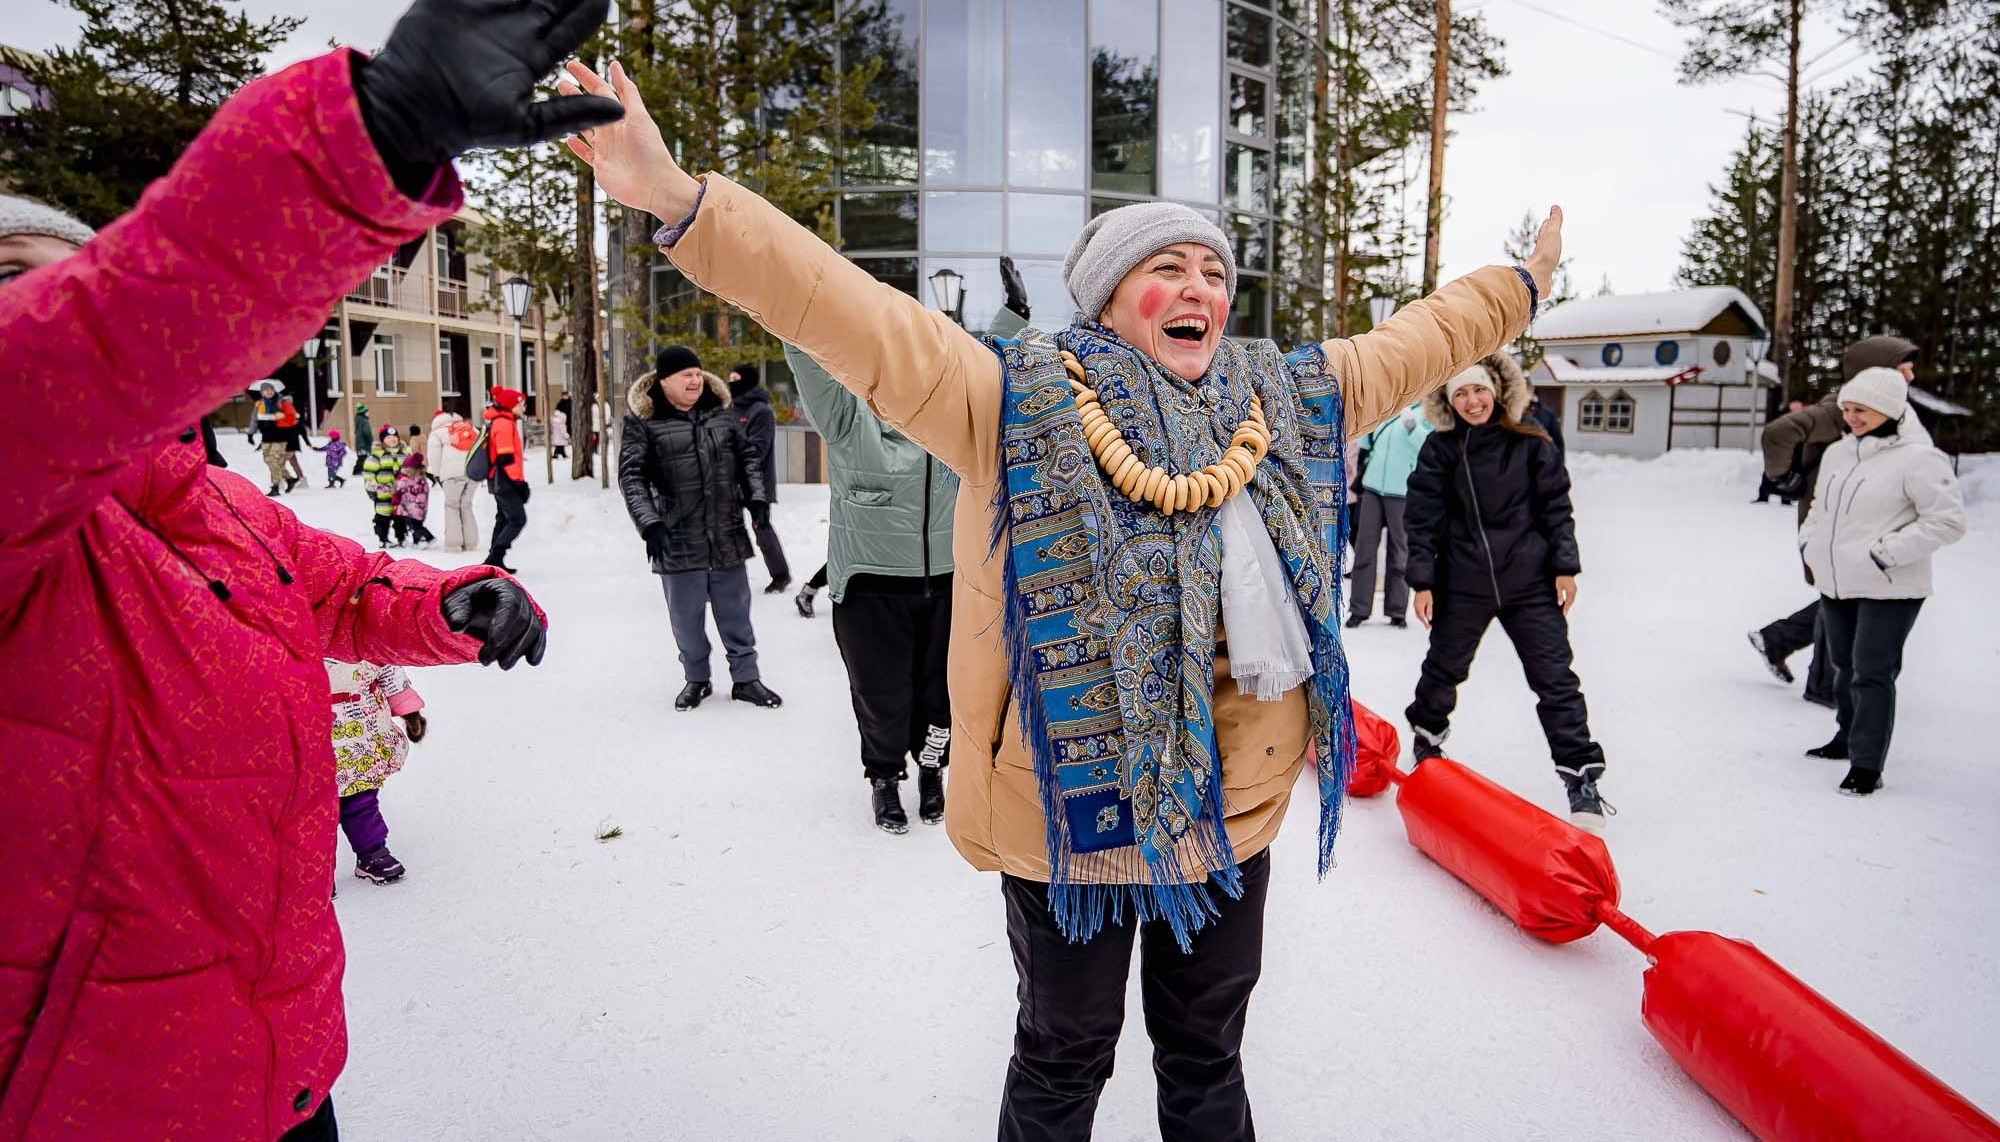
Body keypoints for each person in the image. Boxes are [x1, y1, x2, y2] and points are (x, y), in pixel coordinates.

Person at [562, 56, 1556, 1139]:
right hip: (1064, 816)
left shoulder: (1283, 396)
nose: (1198, 291)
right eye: (1165, 268)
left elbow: (1416, 344)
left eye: (1211, 271)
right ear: (1108, 296)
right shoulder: (1011, 399)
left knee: (1205, 1058)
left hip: (1226, 812)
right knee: (1061, 1056)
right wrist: (680, 203)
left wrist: (1518, 290)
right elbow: (852, 314)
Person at [0, 0, 597, 1140]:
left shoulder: (195, 496)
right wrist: (364, 139)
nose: (46, 301)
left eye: (69, 271)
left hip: (266, 1057)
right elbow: (95, 344)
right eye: (14, 276)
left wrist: (442, 603)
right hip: (82, 1096)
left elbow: (334, 583)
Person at [1402, 354, 1609, 830]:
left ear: (1496, 389)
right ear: (1447, 401)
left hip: (1530, 584)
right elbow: (1423, 519)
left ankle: (1580, 775)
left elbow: (1557, 505)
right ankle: (1426, 739)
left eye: (1478, 390)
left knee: (1555, 678)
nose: (1472, 401)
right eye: (1460, 393)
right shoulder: (1441, 449)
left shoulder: (1532, 440)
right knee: (1444, 668)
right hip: (1463, 584)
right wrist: (1423, 581)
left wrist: (1564, 568)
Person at [787, 343, 956, 833]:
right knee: (882, 699)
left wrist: (1013, 313)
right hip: (869, 591)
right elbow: (806, 358)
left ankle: (930, 769)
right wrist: (794, 295)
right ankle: (884, 778)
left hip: (945, 586)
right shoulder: (848, 417)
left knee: (941, 698)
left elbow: (989, 374)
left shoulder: (948, 424)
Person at [1796, 367, 1964, 795]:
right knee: (1843, 664)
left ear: (1889, 409)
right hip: (1838, 581)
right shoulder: (1839, 452)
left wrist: (1885, 553)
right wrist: (1809, 542)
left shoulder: (1920, 459)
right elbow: (1819, 508)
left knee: (1871, 672)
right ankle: (1845, 737)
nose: (1851, 417)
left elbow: (1947, 521)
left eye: (1861, 410)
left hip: (1890, 586)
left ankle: (1867, 764)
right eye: (1847, 409)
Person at [1747, 335, 1922, 705]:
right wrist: (1783, 480)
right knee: (1844, 597)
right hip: (1830, 520)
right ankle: (1821, 681)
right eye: (1903, 368)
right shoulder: (1840, 408)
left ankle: (1784, 645)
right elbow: (1779, 432)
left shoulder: (1885, 411)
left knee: (1848, 597)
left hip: (1858, 520)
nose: (1911, 375)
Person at [619, 345, 782, 710]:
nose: (695, 380)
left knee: (736, 614)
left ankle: (746, 680)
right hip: (676, 539)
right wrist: (650, 525)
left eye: (697, 373)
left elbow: (748, 460)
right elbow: (631, 478)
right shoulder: (644, 422)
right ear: (664, 382)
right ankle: (696, 680)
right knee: (687, 620)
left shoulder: (721, 414)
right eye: (685, 375)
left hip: (725, 533)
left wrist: (757, 499)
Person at [327, 658, 429, 884]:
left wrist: (410, 712)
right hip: (312, 742)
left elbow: (389, 671)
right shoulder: (288, 637)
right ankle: (317, 869)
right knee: (317, 813)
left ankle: (372, 853)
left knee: (361, 802)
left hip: (363, 741)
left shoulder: (365, 636)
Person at [1349, 400, 1433, 627]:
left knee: (1400, 551)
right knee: (1365, 548)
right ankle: (1359, 609)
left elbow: (1429, 446)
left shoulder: (1426, 411)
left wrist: (1414, 428)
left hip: (1403, 491)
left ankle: (1397, 610)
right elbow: (1366, 442)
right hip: (1373, 487)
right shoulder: (1388, 404)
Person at [728, 360, 791, 593]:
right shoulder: (729, 407)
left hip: (757, 483)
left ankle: (780, 575)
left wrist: (729, 456)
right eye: (730, 379)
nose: (730, 383)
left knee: (761, 529)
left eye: (735, 380)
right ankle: (728, 578)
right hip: (729, 481)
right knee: (727, 529)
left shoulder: (761, 411)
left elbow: (758, 449)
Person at [483, 384, 530, 571]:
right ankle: (495, 556)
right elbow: (506, 458)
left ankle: (494, 560)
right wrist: (519, 483)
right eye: (521, 404)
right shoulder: (503, 424)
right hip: (504, 480)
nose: (524, 408)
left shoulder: (504, 421)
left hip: (501, 479)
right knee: (517, 519)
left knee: (503, 518)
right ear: (512, 405)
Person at [427, 409, 479, 551]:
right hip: (472, 473)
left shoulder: (437, 432)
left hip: (451, 475)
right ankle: (471, 543)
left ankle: (454, 544)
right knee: (466, 506)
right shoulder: (469, 427)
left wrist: (438, 475)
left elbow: (434, 457)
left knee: (452, 506)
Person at [363, 426, 408, 548]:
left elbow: (411, 471)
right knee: (383, 517)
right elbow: (369, 472)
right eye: (388, 437)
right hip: (383, 493)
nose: (392, 439)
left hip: (400, 494)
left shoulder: (404, 454)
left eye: (394, 437)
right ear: (383, 440)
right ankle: (383, 538)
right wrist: (371, 483)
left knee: (400, 517)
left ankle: (401, 537)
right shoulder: (376, 456)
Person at [395, 449, 438, 546]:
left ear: (411, 469)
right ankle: (417, 541)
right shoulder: (422, 479)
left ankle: (427, 538)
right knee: (417, 525)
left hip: (411, 509)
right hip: (419, 508)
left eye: (404, 468)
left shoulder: (406, 480)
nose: (402, 470)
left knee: (413, 526)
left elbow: (396, 488)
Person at [257, 382, 291, 494]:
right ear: (262, 392)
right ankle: (289, 479)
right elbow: (257, 420)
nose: (268, 392)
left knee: (273, 460)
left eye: (270, 389)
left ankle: (275, 486)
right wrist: (251, 434)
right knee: (268, 460)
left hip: (279, 436)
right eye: (265, 390)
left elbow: (289, 416)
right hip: (266, 437)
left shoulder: (281, 402)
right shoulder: (260, 404)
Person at [353, 402, 375, 478]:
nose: (368, 413)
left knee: (361, 457)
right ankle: (357, 471)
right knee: (363, 458)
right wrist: (370, 439)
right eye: (367, 412)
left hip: (359, 443)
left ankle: (357, 470)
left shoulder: (358, 420)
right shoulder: (364, 421)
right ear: (364, 413)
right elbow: (367, 432)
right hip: (364, 443)